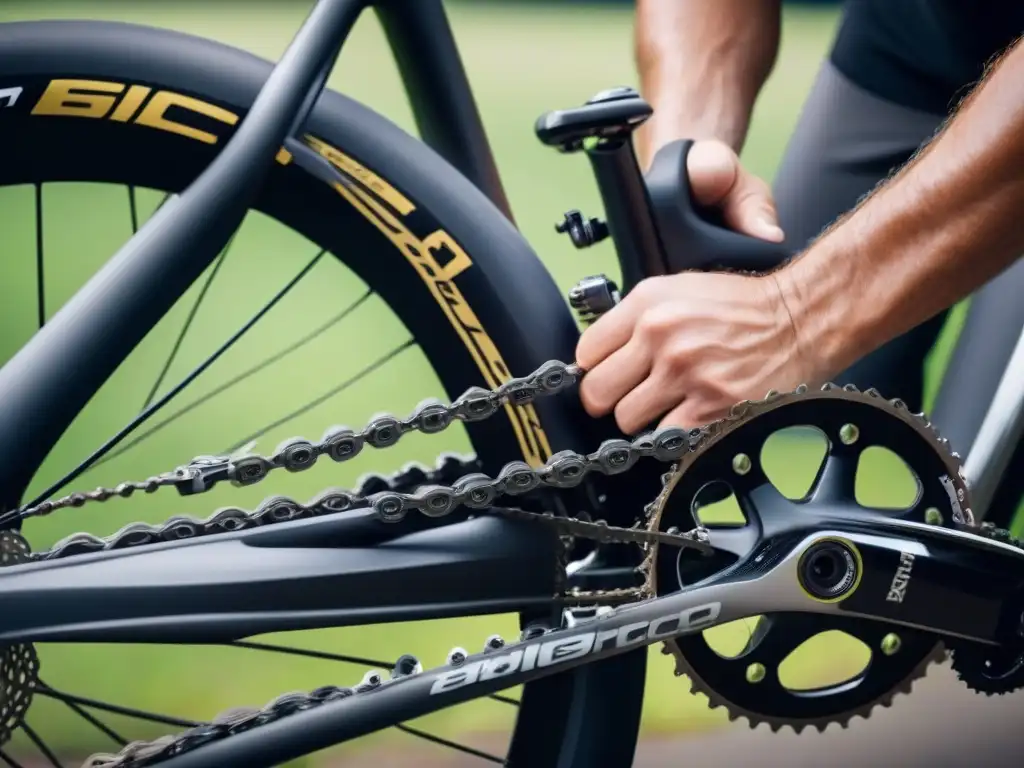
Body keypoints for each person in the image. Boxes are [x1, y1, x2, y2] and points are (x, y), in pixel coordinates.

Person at [575, 9, 1024, 435]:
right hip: (904, 43)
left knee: (975, 454)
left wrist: (793, 318)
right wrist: (682, 164)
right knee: (752, 379)